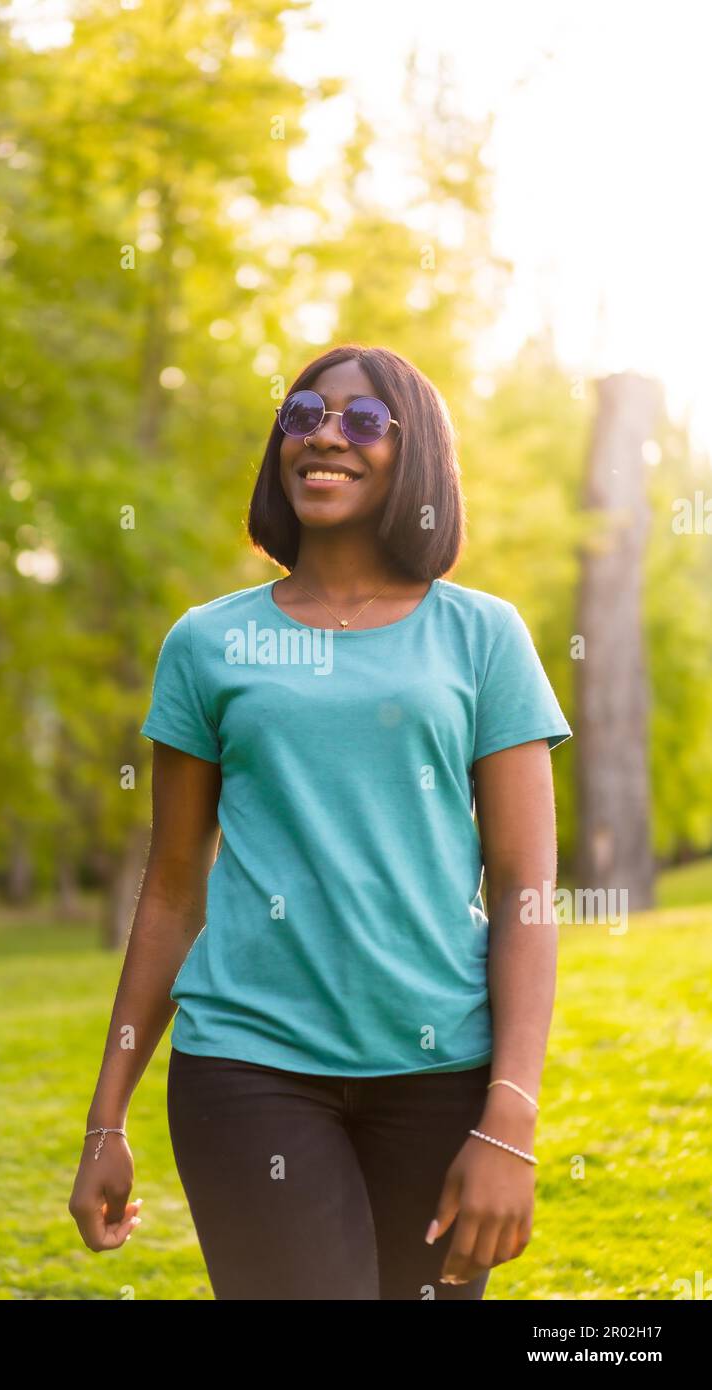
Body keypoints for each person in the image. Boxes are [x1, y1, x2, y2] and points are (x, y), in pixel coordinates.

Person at [68, 343, 572, 1300]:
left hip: (442, 1071)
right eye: (303, 415)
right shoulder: (207, 644)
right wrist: (106, 1121)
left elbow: (525, 892)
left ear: (412, 453)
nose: (325, 435)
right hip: (247, 1068)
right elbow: (173, 890)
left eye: (363, 420)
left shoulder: (484, 636)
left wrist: (510, 1118)